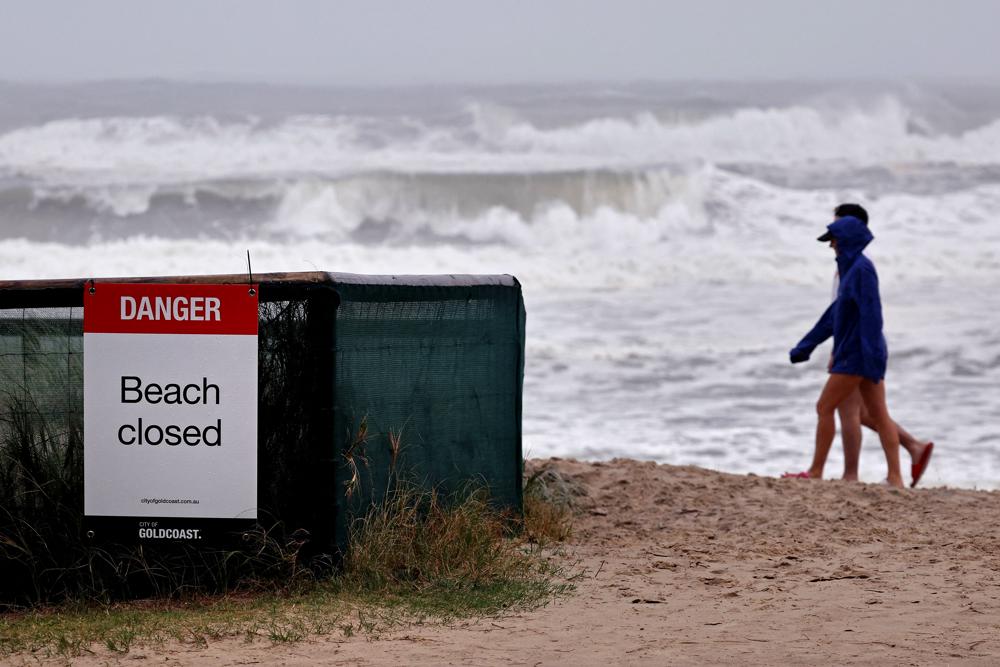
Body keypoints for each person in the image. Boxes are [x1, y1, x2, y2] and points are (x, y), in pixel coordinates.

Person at [785, 204, 933, 486]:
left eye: (834, 240)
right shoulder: (851, 269)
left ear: (848, 239)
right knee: (878, 414)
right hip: (862, 352)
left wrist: (867, 353)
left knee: (824, 407)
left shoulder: (861, 270)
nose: (831, 246)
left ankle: (817, 471)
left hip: (857, 353)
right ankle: (896, 478)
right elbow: (834, 316)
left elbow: (871, 315)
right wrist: (805, 346)